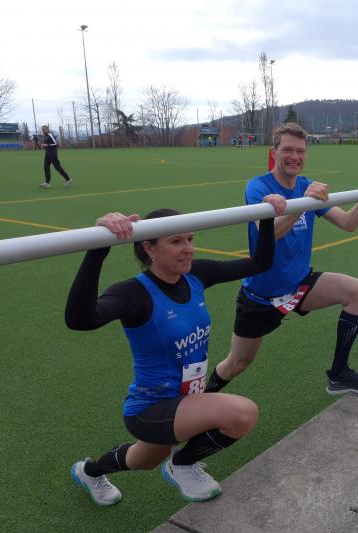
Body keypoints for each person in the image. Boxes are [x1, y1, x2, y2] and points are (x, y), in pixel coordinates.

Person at [65, 195, 286, 506]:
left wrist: (267, 215)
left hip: (187, 400)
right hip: (150, 409)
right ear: (149, 248)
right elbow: (80, 320)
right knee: (242, 413)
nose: (189, 248)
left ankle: (89, 471)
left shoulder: (196, 275)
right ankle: (181, 463)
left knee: (141, 460)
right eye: (176, 241)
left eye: (190, 239)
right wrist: (97, 249)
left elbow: (260, 263)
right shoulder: (133, 293)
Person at [204, 123, 358, 397]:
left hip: (300, 285)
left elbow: (348, 223)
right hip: (262, 295)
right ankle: (202, 400)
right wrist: (302, 205)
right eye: (287, 150)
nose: (294, 156)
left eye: (300, 151)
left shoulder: (306, 185)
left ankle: (339, 374)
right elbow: (270, 233)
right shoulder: (258, 186)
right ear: (274, 152)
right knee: (238, 363)